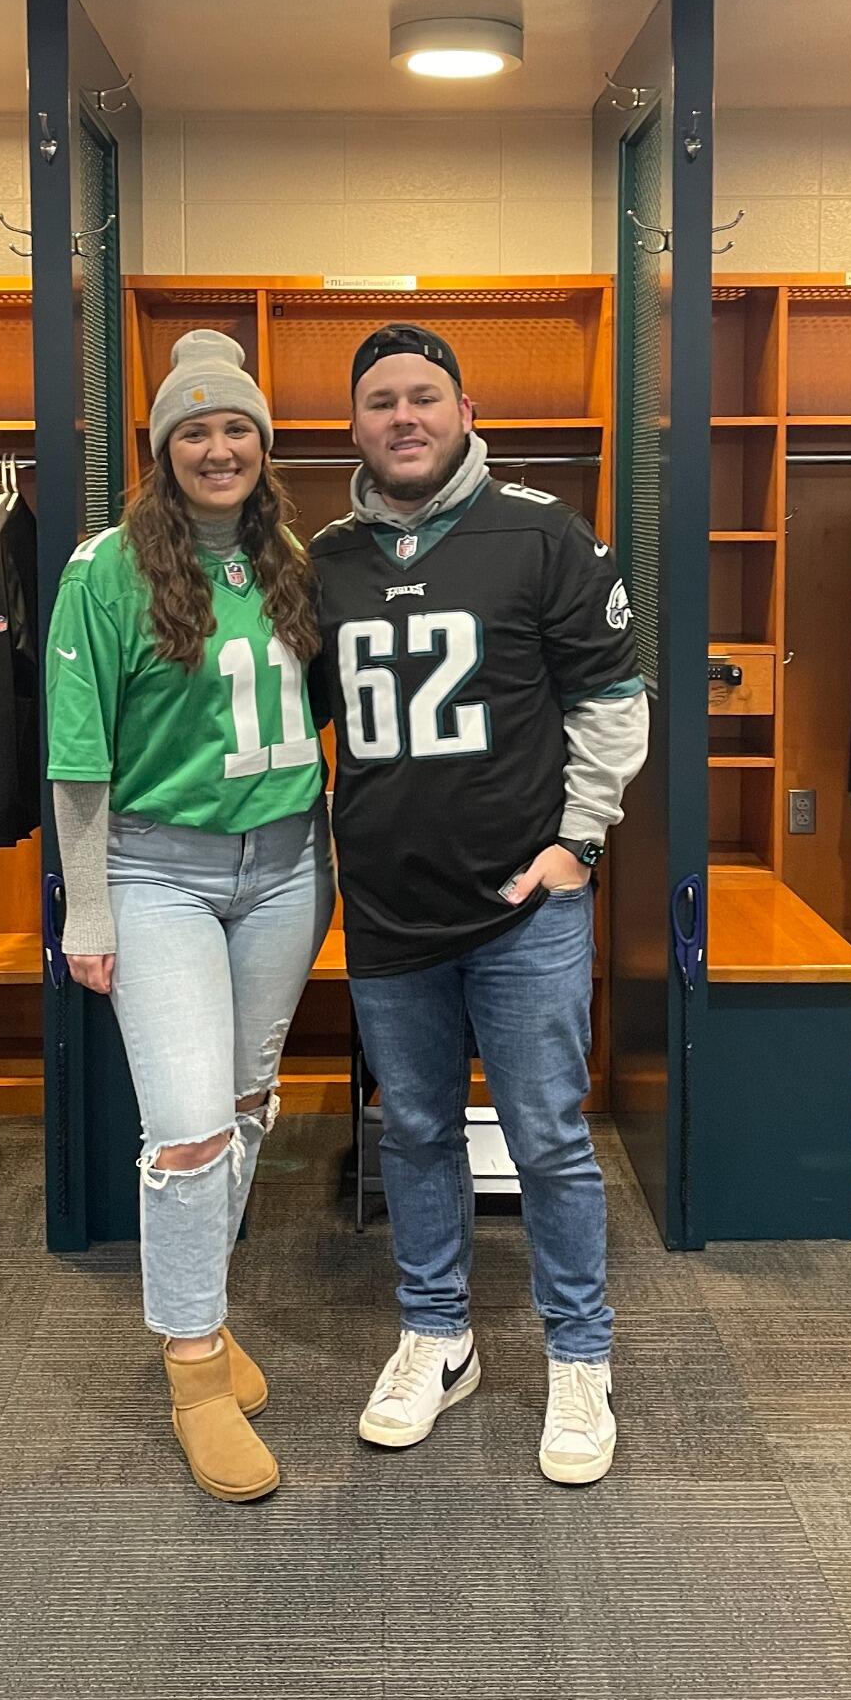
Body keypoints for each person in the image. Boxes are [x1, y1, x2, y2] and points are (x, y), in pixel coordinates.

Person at [310, 323, 650, 1486]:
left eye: (424, 397)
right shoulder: (328, 559)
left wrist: (576, 844)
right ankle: (438, 1334)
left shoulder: (542, 533)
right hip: (391, 910)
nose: (403, 418)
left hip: (523, 908)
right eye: (380, 403)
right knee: (412, 1131)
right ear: (352, 425)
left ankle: (579, 1353)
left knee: (550, 1138)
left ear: (462, 409)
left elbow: (611, 701)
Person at [46, 330, 334, 1504]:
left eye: (237, 427)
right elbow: (77, 761)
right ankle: (195, 1366)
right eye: (194, 429)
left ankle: (202, 1311)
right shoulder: (103, 569)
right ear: (162, 449)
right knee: (186, 1132)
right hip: (159, 872)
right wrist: (88, 909)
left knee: (248, 1101)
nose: (218, 446)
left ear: (264, 446)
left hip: (286, 868)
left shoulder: (300, 561)